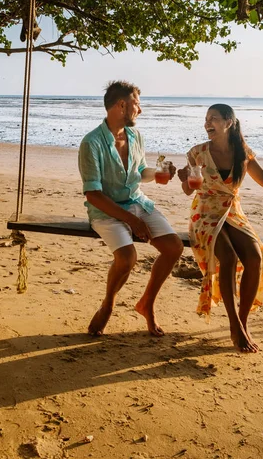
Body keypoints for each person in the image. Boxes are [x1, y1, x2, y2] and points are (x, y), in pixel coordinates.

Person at [177, 104, 263, 353]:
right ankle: (235, 326)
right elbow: (189, 190)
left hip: (232, 211)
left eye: (213, 118)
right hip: (205, 212)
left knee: (255, 255)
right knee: (229, 257)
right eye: (206, 119)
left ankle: (242, 323)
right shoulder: (197, 153)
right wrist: (184, 180)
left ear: (229, 122)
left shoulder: (242, 152)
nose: (207, 123)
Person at [79, 80, 184, 337]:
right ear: (122, 105)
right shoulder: (91, 143)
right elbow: (93, 195)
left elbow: (139, 173)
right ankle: (108, 303)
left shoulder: (136, 136)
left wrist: (159, 173)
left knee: (174, 247)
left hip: (137, 202)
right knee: (127, 259)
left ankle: (146, 303)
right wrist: (131, 221)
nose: (141, 110)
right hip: (106, 210)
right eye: (137, 104)